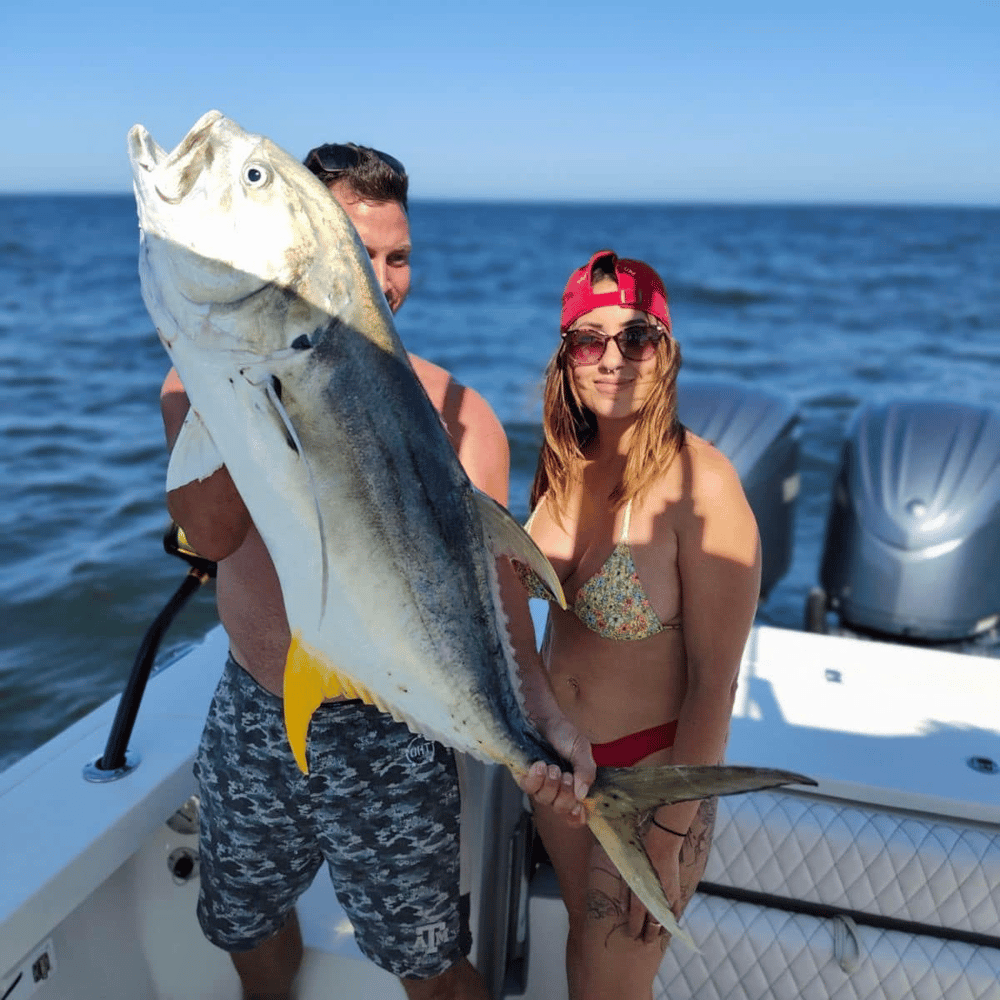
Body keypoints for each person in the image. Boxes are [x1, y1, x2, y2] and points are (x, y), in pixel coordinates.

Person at [160, 144, 587, 1000]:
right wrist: (242, 384)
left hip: (393, 727)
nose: (385, 280)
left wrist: (543, 720)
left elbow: (497, 601)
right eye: (361, 255)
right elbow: (207, 535)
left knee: (428, 963)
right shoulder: (197, 379)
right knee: (245, 922)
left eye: (399, 258)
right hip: (255, 704)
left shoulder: (461, 421)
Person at [515, 250, 761, 1000]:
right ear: (566, 358)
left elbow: (716, 687)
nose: (612, 359)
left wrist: (668, 834)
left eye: (637, 338)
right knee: (580, 968)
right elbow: (516, 602)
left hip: (650, 785)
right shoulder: (567, 460)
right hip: (561, 772)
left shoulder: (704, 487)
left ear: (666, 351)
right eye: (589, 340)